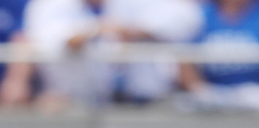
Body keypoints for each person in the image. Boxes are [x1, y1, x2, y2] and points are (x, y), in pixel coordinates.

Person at [19, 0, 202, 108]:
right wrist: (97, 30)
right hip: (78, 104)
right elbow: (52, 40)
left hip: (146, 101)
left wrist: (134, 31)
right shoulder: (51, 5)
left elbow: (184, 21)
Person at [179, 0, 259, 109]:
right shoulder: (199, 13)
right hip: (210, 93)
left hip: (253, 93)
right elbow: (184, 56)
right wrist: (200, 90)